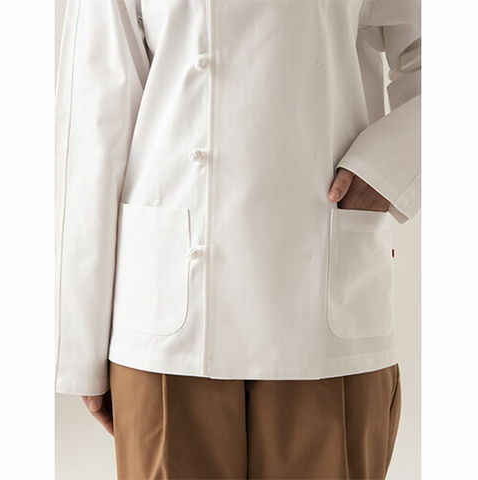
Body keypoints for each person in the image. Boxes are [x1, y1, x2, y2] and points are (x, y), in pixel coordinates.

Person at [55, 0, 420, 478]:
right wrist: (81, 348)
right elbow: (93, 119)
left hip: (321, 299)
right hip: (172, 315)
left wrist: (388, 166)